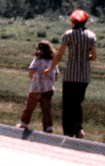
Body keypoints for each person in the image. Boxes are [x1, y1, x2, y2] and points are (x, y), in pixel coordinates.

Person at [48, 9, 97, 137]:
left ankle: (68, 132)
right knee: (77, 102)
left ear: (74, 21)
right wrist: (87, 55)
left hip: (71, 74)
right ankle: (79, 128)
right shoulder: (91, 36)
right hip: (84, 75)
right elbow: (94, 57)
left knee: (67, 104)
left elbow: (59, 55)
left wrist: (50, 68)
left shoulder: (68, 34)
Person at [18, 40, 57, 132]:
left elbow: (31, 73)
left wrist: (34, 79)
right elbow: (56, 77)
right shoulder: (53, 62)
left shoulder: (37, 60)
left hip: (36, 88)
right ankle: (48, 128)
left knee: (29, 108)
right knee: (46, 111)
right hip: (48, 89)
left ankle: (24, 123)